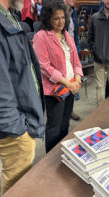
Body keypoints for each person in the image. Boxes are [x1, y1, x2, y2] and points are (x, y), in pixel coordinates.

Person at [0, 0, 45, 195]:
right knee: (15, 191)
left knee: (21, 185)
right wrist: (18, 131)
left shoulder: (7, 14)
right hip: (15, 130)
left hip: (23, 119)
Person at [33, 0, 83, 153]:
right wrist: (67, 83)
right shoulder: (41, 36)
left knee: (65, 123)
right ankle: (50, 158)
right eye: (56, 18)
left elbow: (75, 60)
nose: (61, 21)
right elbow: (44, 65)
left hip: (71, 87)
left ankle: (62, 153)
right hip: (55, 90)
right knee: (54, 126)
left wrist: (77, 79)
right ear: (48, 18)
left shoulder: (66, 34)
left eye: (63, 17)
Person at [63, 0, 81, 121]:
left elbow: (74, 34)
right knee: (63, 82)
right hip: (61, 50)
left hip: (72, 50)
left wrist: (77, 51)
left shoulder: (73, 11)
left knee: (73, 80)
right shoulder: (56, 8)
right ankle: (61, 111)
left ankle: (70, 110)